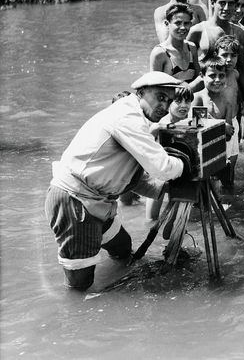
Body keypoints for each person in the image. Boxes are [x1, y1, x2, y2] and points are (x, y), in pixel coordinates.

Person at [45, 72, 189, 290]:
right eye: (160, 97)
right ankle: (76, 312)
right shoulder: (128, 117)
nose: (164, 105)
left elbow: (134, 180)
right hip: (75, 199)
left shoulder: (135, 118)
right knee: (80, 285)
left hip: (98, 198)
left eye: (169, 100)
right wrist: (187, 165)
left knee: (123, 248)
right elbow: (162, 167)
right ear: (140, 93)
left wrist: (170, 188)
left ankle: (116, 285)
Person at [193, 48, 241, 186]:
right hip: (204, 146)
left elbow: (229, 133)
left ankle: (228, 200)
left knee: (228, 178)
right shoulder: (199, 98)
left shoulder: (227, 102)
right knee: (206, 182)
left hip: (224, 145)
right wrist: (221, 127)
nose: (217, 80)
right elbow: (198, 125)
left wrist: (224, 128)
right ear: (202, 76)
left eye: (221, 75)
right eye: (212, 75)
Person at [150, 3, 201, 90]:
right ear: (167, 24)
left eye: (186, 23)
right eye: (178, 23)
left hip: (190, 100)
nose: (183, 28)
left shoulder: (191, 48)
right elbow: (154, 88)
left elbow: (197, 78)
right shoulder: (159, 53)